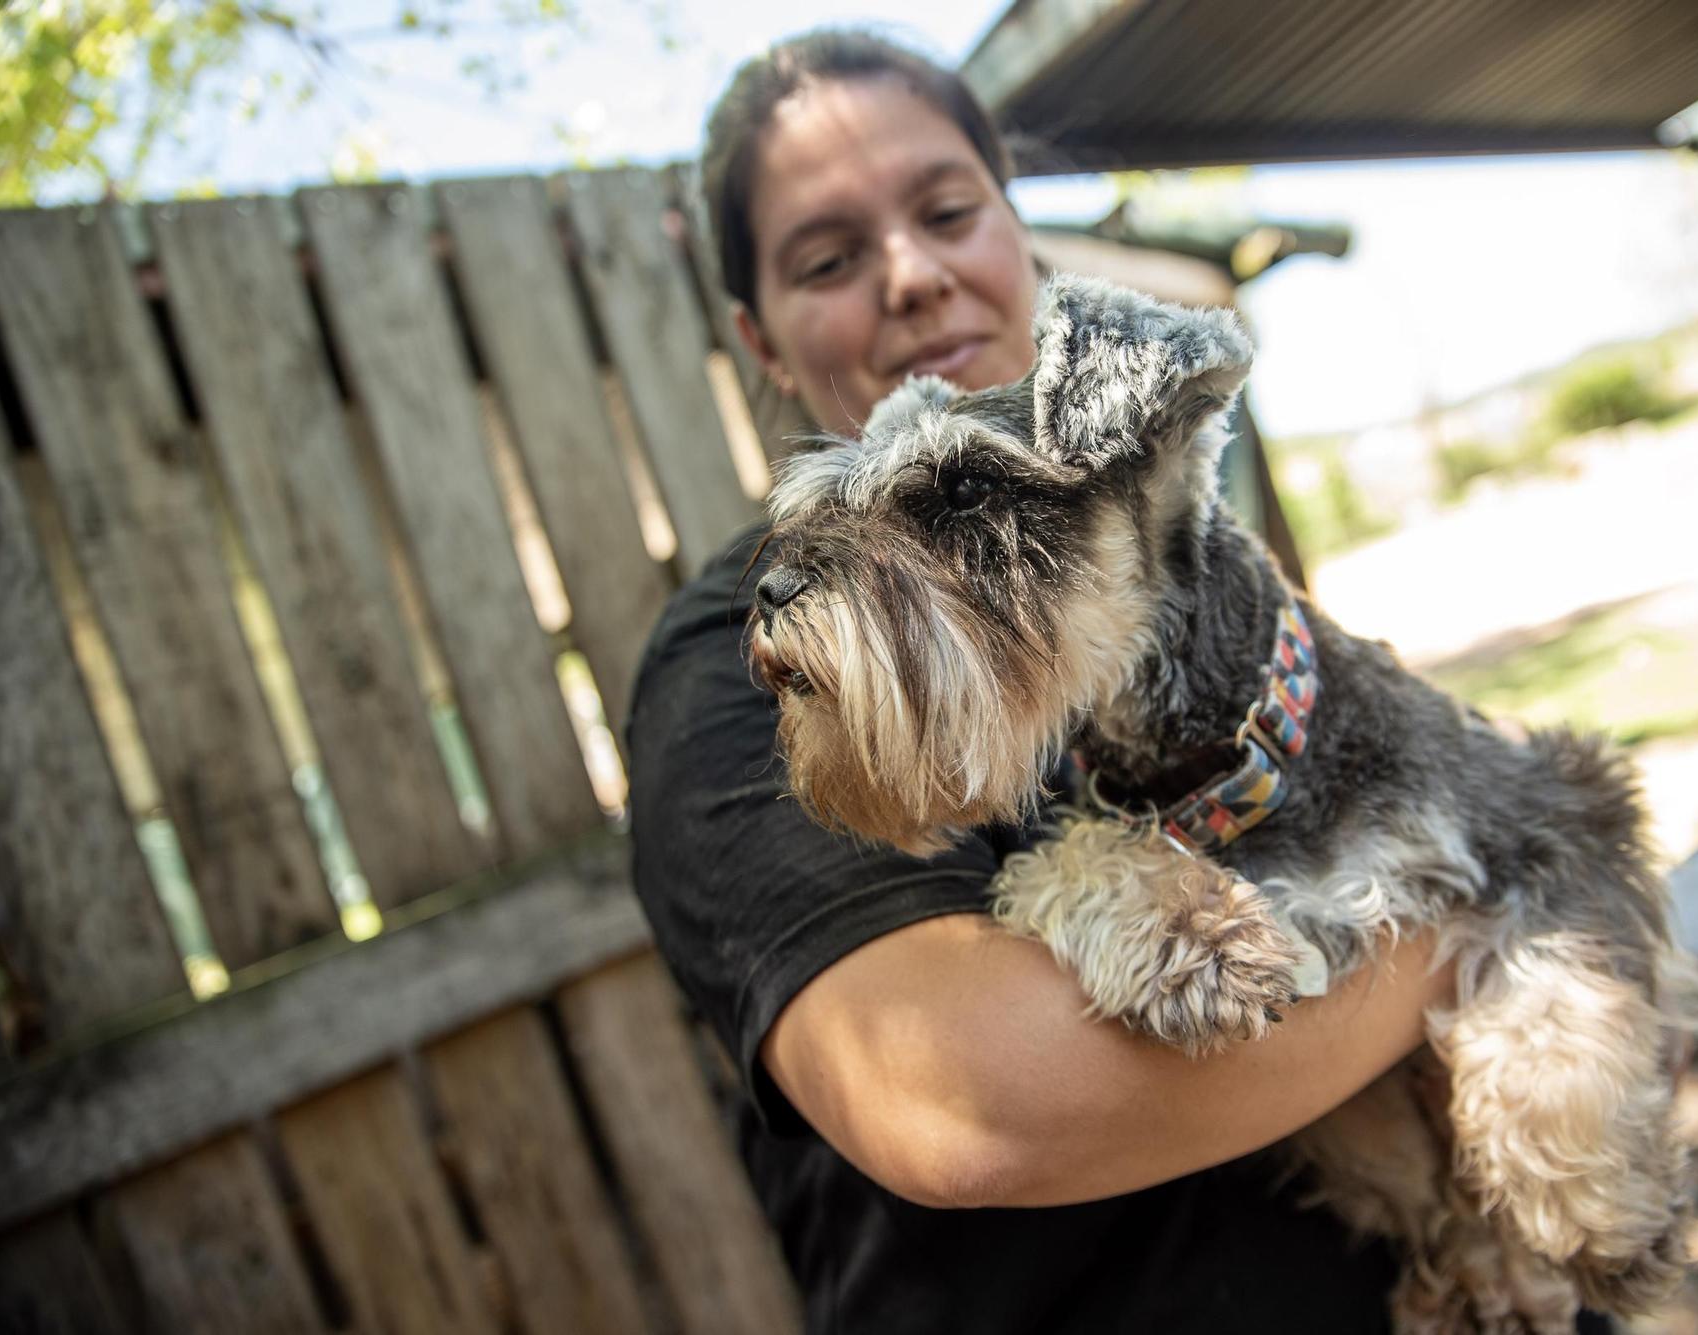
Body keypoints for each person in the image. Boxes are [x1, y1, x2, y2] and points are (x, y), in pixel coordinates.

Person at [627, 29, 1510, 1333]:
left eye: (947, 212)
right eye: (830, 259)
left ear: (1016, 233)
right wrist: (1491, 908)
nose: (913, 276)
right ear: (763, 340)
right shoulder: (737, 664)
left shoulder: (1164, 551)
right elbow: (964, 1103)